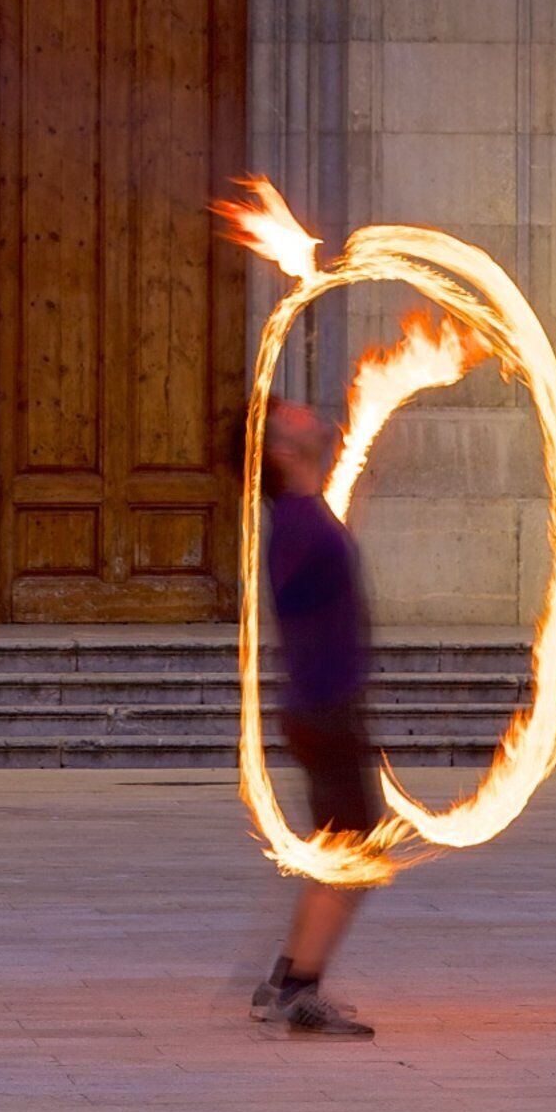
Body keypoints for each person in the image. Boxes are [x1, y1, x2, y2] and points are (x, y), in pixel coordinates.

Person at [248, 401, 379, 1040]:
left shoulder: (304, 514)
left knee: (338, 844)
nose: (310, 413)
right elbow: (300, 605)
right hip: (325, 706)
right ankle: (301, 992)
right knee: (358, 849)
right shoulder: (297, 524)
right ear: (282, 451)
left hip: (323, 705)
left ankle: (285, 977)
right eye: (293, 417)